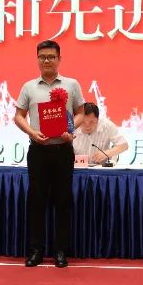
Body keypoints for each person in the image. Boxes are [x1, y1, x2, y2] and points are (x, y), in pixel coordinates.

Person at [14, 39, 85, 268]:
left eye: (51, 57)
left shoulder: (71, 84)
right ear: (37, 59)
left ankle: (61, 251)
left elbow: (81, 112)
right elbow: (18, 116)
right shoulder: (29, 87)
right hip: (38, 151)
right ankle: (36, 250)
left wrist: (71, 130)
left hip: (63, 150)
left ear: (59, 59)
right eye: (42, 57)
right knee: (37, 200)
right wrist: (32, 133)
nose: (47, 60)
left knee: (63, 201)